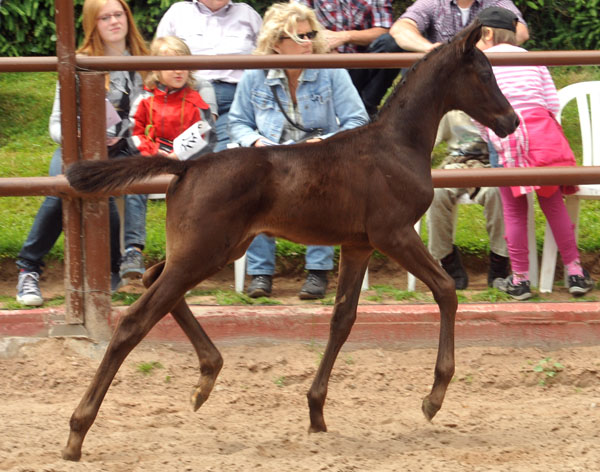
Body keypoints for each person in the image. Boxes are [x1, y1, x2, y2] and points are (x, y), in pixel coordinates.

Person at [227, 2, 369, 300]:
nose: (308, 43)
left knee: (322, 182)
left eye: (311, 34)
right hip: (271, 159)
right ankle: (261, 274)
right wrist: (256, 143)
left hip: (319, 157)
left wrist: (325, 143)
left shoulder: (332, 70)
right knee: (254, 186)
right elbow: (238, 122)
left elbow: (358, 120)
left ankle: (318, 272)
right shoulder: (255, 75)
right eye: (299, 37)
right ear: (276, 44)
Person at [15, 0, 149, 306]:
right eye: (105, 17)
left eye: (119, 14)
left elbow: (151, 112)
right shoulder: (80, 62)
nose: (114, 21)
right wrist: (78, 136)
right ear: (93, 24)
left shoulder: (145, 61)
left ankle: (115, 266)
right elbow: (55, 123)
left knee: (107, 194)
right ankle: (28, 267)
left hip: (127, 149)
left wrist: (125, 133)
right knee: (58, 190)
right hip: (79, 149)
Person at [476, 6, 594, 300]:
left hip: (510, 137)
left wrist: (491, 136)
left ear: (488, 33)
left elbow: (479, 111)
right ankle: (575, 272)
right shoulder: (534, 59)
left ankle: (520, 279)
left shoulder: (482, 64)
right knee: (554, 207)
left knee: (515, 213)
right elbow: (553, 104)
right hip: (543, 136)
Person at [356, 0, 529, 117]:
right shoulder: (433, 2)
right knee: (389, 43)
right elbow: (400, 29)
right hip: (439, 77)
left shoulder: (496, 2)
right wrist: (432, 49)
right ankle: (370, 111)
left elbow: (520, 31)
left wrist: (466, 51)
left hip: (479, 78)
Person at [155, 0, 262, 152]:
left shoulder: (248, 15)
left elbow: (267, 58)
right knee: (189, 154)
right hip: (188, 99)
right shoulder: (177, 13)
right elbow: (157, 59)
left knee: (221, 155)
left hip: (235, 101)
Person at [427, 111, 510, 290]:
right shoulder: (450, 109)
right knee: (437, 194)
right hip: (456, 162)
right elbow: (428, 140)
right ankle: (447, 261)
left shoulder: (494, 103)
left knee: (497, 194)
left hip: (488, 163)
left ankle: (499, 262)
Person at [298, 0, 393, 116]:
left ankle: (366, 107)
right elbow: (296, 23)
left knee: (391, 43)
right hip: (323, 64)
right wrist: (326, 50)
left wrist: (345, 36)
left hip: (362, 65)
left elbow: (384, 30)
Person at [128, 36, 217, 160]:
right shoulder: (144, 99)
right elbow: (134, 134)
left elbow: (206, 137)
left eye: (183, 64)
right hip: (149, 163)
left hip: (187, 166)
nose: (179, 71)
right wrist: (154, 153)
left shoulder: (196, 103)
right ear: (155, 68)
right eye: (172, 65)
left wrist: (179, 155)